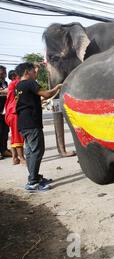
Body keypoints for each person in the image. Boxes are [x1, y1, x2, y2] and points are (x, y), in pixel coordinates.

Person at [15, 62, 62, 191]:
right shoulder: (30, 83)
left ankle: (34, 177)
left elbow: (29, 100)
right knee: (37, 151)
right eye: (33, 72)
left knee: (30, 152)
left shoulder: (19, 85)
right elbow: (46, 94)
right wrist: (57, 87)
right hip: (32, 122)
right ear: (26, 72)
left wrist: (39, 101)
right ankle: (33, 182)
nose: (35, 74)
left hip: (23, 123)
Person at [5, 69, 26, 165]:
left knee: (13, 135)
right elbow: (26, 80)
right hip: (14, 112)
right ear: (14, 77)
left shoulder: (11, 85)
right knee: (17, 135)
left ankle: (15, 158)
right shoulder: (15, 83)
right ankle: (21, 158)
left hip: (10, 113)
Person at [0, 65, 12, 160]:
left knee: (5, 131)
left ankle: (4, 150)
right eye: (3, 71)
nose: (5, 73)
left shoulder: (6, 83)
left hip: (5, 111)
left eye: (5, 71)